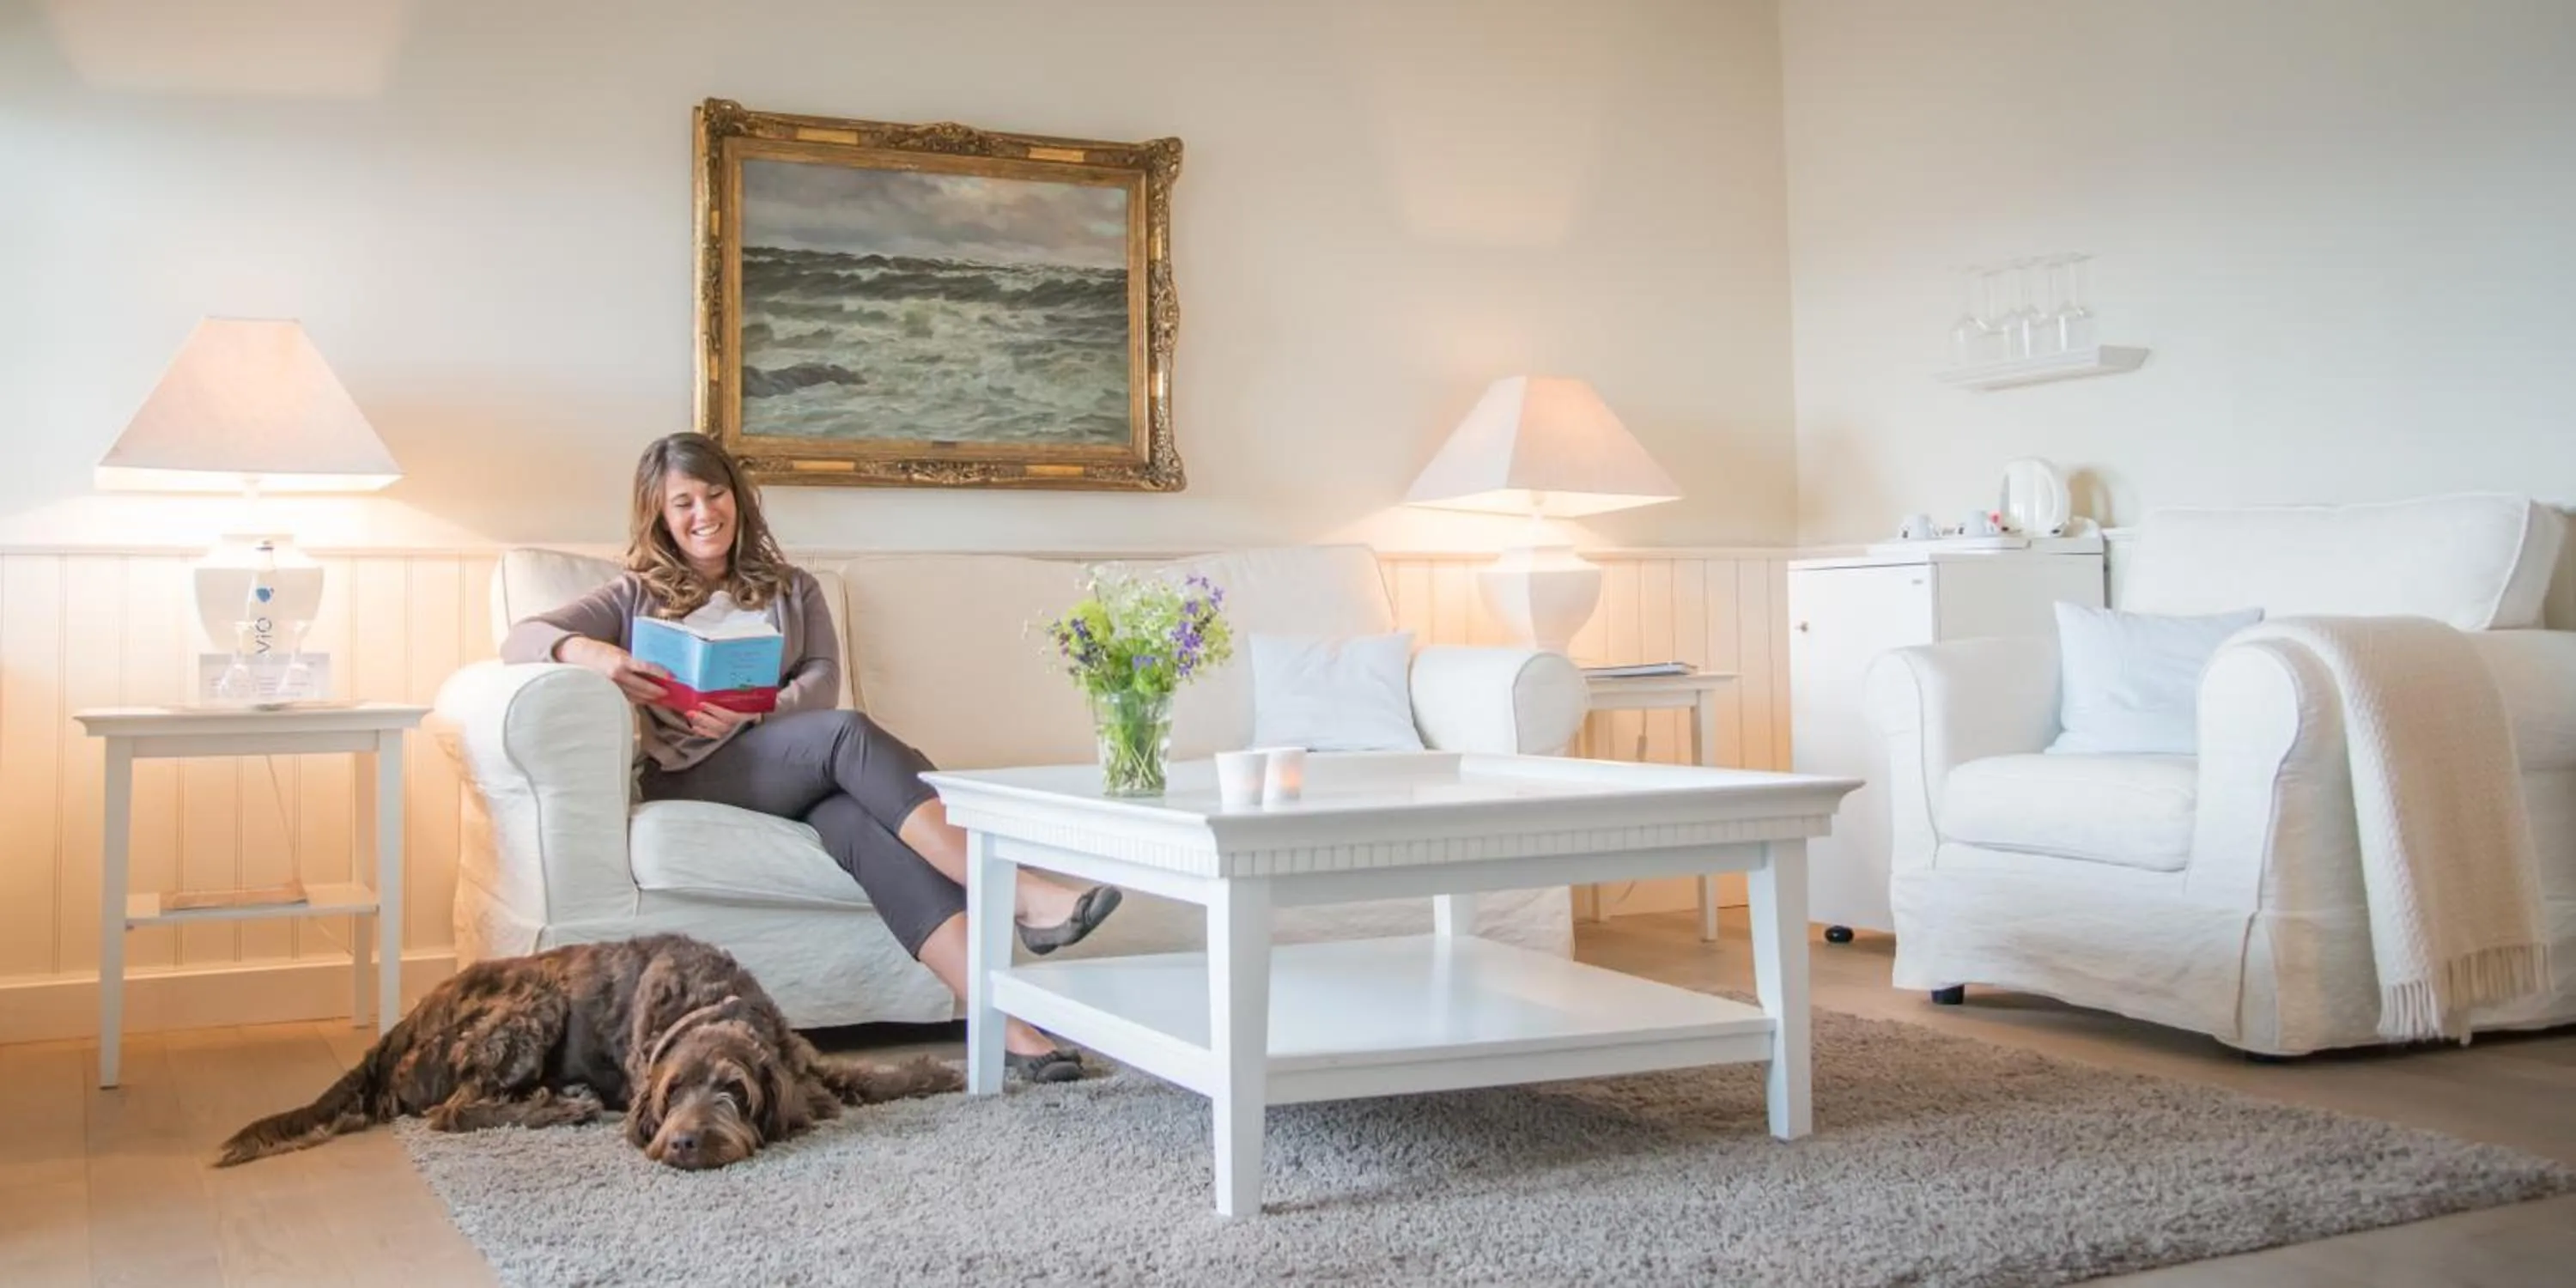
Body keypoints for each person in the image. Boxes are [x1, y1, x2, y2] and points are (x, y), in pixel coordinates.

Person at [500, 433, 1118, 1083]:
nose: (704, 513)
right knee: (846, 735)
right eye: (683, 503)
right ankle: (1019, 894)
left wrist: (757, 711)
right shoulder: (631, 595)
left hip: (780, 758)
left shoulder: (792, 588)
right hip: (693, 773)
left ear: (738, 500)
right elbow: (523, 636)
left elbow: (822, 677)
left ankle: (1007, 1028)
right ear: (659, 515)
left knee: (852, 821)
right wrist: (595, 654)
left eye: (715, 494)